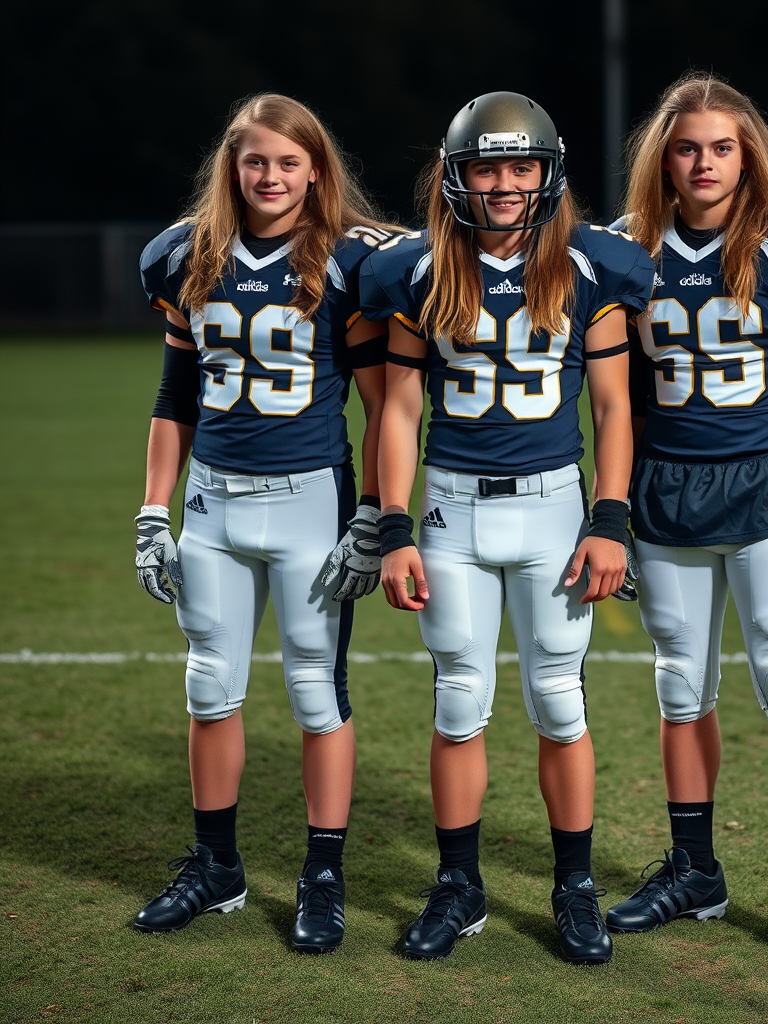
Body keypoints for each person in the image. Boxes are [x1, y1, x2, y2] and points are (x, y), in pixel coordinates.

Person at [355, 91, 655, 965]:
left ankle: (575, 886)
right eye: (486, 167)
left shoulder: (592, 265)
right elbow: (401, 410)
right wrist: (396, 526)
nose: (504, 184)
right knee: (459, 700)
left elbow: (612, 403)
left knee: (559, 701)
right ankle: (459, 886)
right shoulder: (414, 271)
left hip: (554, 504)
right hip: (450, 506)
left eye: (520, 166)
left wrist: (609, 519)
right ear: (455, 176)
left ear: (547, 172)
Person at [604, 71, 768, 971]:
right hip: (666, 492)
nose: (705, 162)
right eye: (687, 147)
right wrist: (612, 507)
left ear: (747, 152)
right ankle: (694, 869)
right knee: (682, 682)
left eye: (722, 146)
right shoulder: (627, 252)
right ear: (664, 158)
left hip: (764, 492)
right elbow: (618, 400)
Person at [131, 92, 404, 954]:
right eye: (257, 161)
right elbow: (175, 397)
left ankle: (322, 874)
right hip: (212, 501)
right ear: (233, 166)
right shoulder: (186, 256)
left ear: (315, 169)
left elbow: (385, 403)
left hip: (308, 504)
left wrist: (376, 510)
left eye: (289, 162)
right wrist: (151, 508)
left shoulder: (351, 261)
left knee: (316, 695)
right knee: (209, 684)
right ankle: (216, 866)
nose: (272, 176)